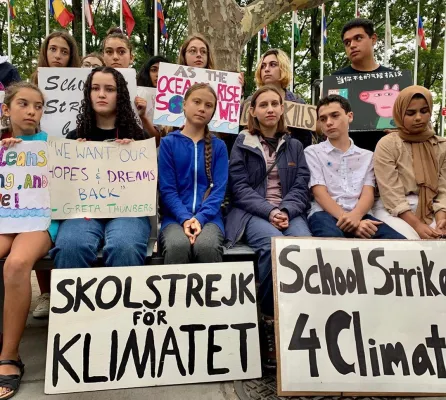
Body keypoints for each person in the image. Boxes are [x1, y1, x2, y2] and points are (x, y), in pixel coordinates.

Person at [225, 85, 311, 369]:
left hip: (289, 211)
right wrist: (270, 211)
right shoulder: (242, 143)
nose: (270, 109)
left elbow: (301, 186)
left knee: (304, 247)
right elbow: (239, 189)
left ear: (282, 108)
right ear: (253, 111)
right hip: (253, 213)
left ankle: (299, 319)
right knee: (275, 248)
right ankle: (269, 319)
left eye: (275, 103)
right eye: (263, 105)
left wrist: (285, 210)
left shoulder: (295, 145)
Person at [50, 67, 151, 268]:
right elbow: (64, 188)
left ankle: (125, 291)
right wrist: (73, 158)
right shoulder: (74, 137)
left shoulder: (138, 136)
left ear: (120, 95)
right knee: (70, 246)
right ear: (88, 94)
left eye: (109, 89)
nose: (101, 94)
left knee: (125, 246)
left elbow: (148, 186)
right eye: (95, 88)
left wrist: (133, 155)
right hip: (83, 213)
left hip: (128, 213)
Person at [0, 82, 59, 399]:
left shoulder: (52, 145)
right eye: (23, 104)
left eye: (38, 106)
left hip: (40, 221)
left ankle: (10, 356)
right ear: (6, 109)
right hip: (5, 219)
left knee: (17, 263)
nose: (32, 111)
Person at [28, 31, 80, 319]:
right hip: (40, 161)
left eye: (64, 51)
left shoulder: (82, 84)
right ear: (45, 52)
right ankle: (47, 292)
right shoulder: (34, 84)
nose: (58, 56)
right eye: (53, 50)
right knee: (39, 220)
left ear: (71, 56)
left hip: (72, 161)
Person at [305, 94, 405, 240]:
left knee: (397, 241)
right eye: (323, 119)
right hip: (324, 213)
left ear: (350, 116)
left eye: (335, 116)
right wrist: (352, 223)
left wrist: (356, 217)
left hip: (360, 214)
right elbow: (319, 193)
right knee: (332, 240)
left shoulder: (367, 156)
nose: (329, 122)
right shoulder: (312, 152)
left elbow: (368, 194)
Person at [158, 83, 228, 264]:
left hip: (210, 218)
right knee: (177, 246)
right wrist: (185, 219)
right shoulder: (168, 144)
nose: (202, 108)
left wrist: (200, 218)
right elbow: (167, 190)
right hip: (174, 218)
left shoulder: (219, 147)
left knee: (207, 246)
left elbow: (218, 191)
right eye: (196, 102)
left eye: (208, 105)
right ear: (184, 104)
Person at [374, 86, 446, 240]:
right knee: (409, 241)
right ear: (400, 114)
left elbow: (443, 189)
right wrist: (417, 225)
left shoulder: (442, 145)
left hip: (432, 208)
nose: (418, 117)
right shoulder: (388, 144)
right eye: (411, 113)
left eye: (424, 111)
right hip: (393, 210)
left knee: (440, 238)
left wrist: (441, 220)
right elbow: (390, 193)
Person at [332, 18, 395, 152]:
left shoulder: (394, 79)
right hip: (346, 155)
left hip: (388, 155)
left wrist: (403, 130)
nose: (352, 45)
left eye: (358, 38)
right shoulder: (335, 80)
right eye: (347, 42)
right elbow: (323, 122)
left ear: (373, 39)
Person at [102, 27, 160, 143]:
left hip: (134, 153)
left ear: (131, 57)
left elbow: (156, 141)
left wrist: (143, 117)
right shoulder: (92, 90)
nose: (115, 57)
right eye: (109, 52)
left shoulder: (144, 94)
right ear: (103, 57)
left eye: (121, 52)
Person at [254, 48, 314, 148]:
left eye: (273, 64)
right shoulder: (250, 102)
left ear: (283, 68)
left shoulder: (298, 103)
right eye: (263, 66)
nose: (266, 69)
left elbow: (305, 142)